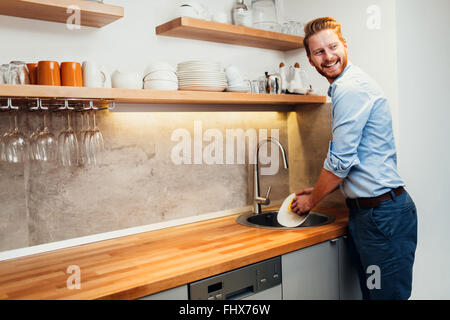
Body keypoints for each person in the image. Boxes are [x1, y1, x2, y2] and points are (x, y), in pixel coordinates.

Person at [289, 17, 417, 300]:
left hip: (381, 216)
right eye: (319, 52)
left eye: (332, 46)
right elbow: (352, 162)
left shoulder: (350, 89)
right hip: (373, 214)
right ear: (310, 60)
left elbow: (341, 162)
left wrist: (312, 200)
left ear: (344, 45)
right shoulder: (346, 86)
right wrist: (321, 188)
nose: (328, 56)